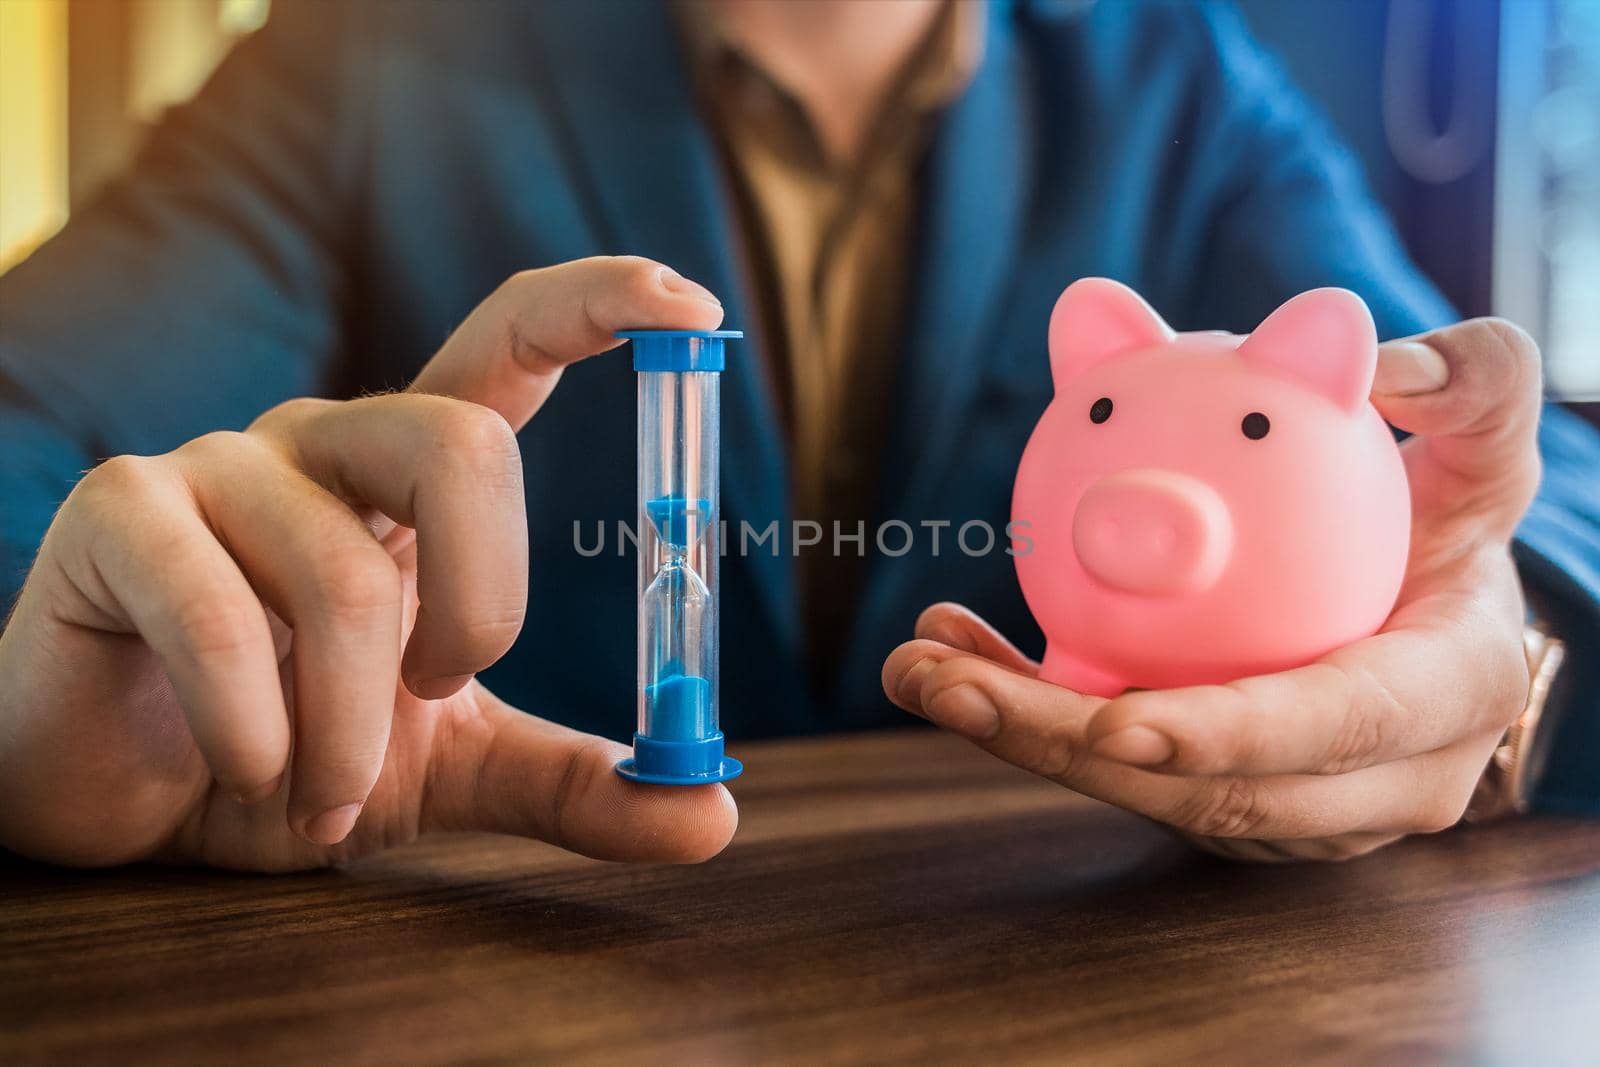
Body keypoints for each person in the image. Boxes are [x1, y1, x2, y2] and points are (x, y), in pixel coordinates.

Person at [1, 0, 1595, 870]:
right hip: (525, 923)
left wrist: (1496, 650)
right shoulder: (377, 56)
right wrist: (47, 694)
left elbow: (1484, 456)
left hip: (1016, 956)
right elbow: (31, 414)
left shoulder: (1175, 71)